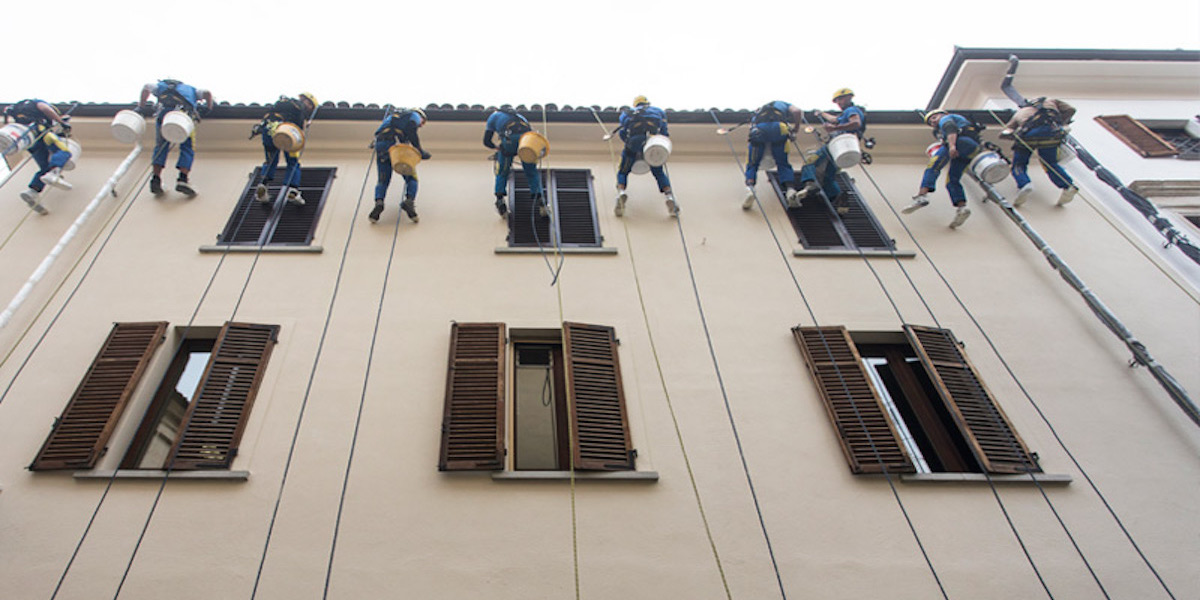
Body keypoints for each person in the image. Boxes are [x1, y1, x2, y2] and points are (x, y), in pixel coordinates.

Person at [138, 79, 214, 197]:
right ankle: (182, 179)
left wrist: (141, 106)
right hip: (183, 116)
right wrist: (208, 108)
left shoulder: (161, 86)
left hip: (164, 116)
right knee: (188, 147)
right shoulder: (192, 89)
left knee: (160, 146)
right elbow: (207, 93)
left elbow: (146, 87)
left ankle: (156, 178)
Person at [905, 109, 978, 228]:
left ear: (943, 114)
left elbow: (950, 127)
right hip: (971, 148)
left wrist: (952, 146)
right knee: (952, 179)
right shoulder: (961, 121)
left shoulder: (946, 119)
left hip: (960, 142)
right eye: (930, 123)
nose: (933, 123)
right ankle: (962, 208)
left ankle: (921, 196)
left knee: (933, 166)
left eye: (934, 118)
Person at [798, 88, 866, 213]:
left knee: (810, 161)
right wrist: (821, 114)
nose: (839, 103)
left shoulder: (851, 110)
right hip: (843, 149)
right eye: (837, 101)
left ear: (849, 97)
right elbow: (834, 119)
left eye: (840, 99)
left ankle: (810, 183)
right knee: (829, 176)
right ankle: (838, 199)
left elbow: (855, 123)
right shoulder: (846, 114)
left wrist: (835, 128)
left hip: (838, 144)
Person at [1002, 97, 1079, 207]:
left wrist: (1013, 135)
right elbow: (1071, 109)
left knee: (1019, 164)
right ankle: (1067, 186)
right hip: (1050, 133)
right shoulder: (1050, 101)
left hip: (1028, 136)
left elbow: (1006, 132)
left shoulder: (1019, 113)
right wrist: (1061, 122)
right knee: (1050, 163)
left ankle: (1024, 184)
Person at [3, 99, 72, 215]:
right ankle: (54, 172)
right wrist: (61, 122)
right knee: (64, 151)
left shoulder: (18, 109)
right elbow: (45, 109)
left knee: (45, 166)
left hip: (30, 141)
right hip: (40, 132)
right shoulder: (38, 103)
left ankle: (32, 191)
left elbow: (6, 116)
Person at [614, 95, 677, 217]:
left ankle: (621, 192)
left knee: (623, 170)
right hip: (652, 141)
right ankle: (669, 196)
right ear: (647, 103)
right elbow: (663, 130)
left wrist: (629, 143)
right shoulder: (658, 111)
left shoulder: (626, 113)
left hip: (634, 140)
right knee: (658, 171)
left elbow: (623, 132)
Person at [252, 93, 317, 206]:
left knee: (271, 159)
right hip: (288, 132)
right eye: (311, 107)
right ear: (308, 102)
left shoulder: (282, 104)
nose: (309, 110)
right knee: (293, 162)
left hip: (269, 131)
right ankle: (292, 189)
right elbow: (297, 128)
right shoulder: (299, 107)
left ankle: (263, 183)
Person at [370, 107, 430, 224]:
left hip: (381, 146)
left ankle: (379, 201)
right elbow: (411, 127)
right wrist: (420, 150)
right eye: (423, 123)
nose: (421, 125)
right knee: (411, 177)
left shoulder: (392, 117)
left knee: (382, 179)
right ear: (421, 116)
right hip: (395, 145)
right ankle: (409, 201)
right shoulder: (414, 115)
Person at [744, 100, 805, 210]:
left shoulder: (759, 111)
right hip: (779, 128)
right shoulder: (783, 104)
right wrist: (795, 129)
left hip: (758, 129)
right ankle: (790, 190)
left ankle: (750, 189)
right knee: (783, 163)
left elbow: (751, 126)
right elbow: (797, 111)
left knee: (752, 164)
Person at [484, 106, 544, 217]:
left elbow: (486, 141)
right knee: (531, 171)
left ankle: (500, 198)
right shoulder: (520, 117)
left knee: (502, 171)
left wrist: (497, 147)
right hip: (527, 141)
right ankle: (540, 199)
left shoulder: (494, 116)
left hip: (509, 140)